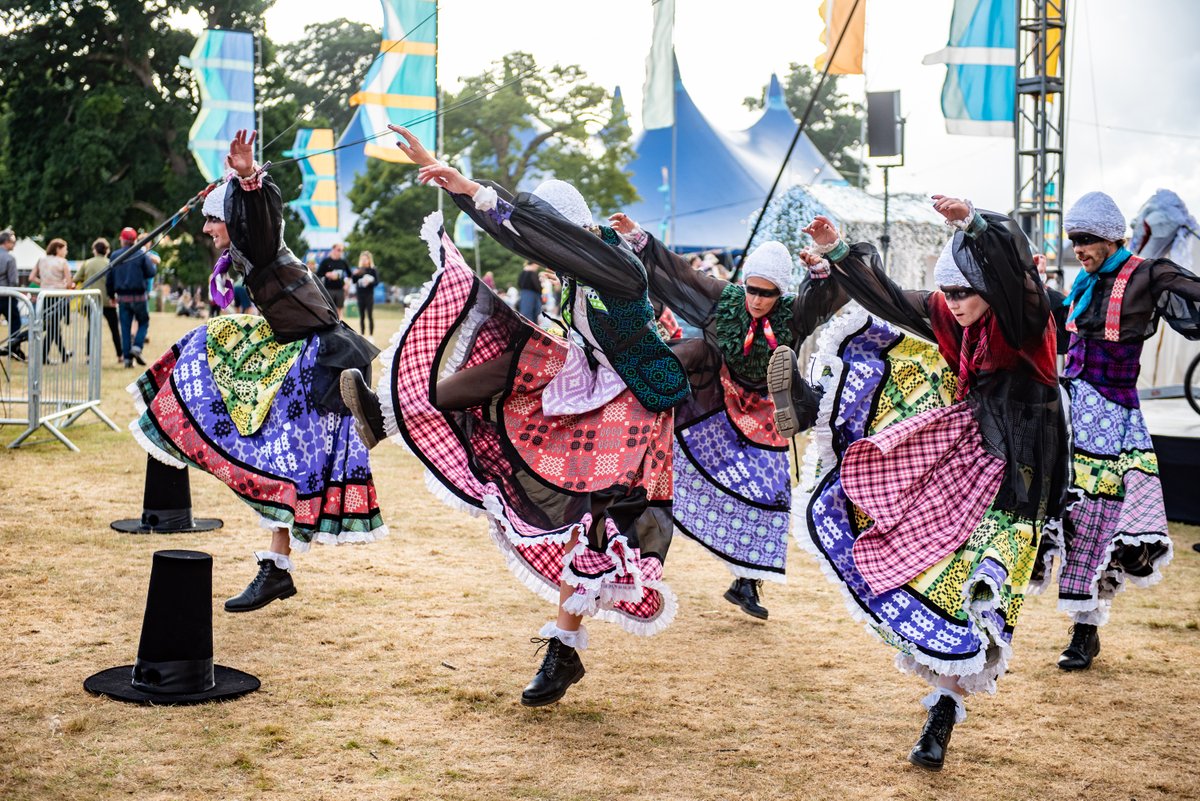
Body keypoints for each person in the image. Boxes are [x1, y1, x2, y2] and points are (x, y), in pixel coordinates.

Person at [340, 125, 689, 706]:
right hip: (588, 379)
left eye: (546, 245)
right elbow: (528, 236)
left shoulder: (620, 268)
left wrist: (470, 187)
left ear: (569, 234)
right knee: (508, 359)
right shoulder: (578, 263)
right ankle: (389, 414)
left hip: (634, 407)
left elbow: (536, 234)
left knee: (590, 525)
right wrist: (458, 186)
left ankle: (564, 652)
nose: (538, 259)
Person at [769, 199, 1066, 770]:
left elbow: (1017, 279)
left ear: (989, 286)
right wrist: (837, 249)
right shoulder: (948, 313)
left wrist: (976, 227)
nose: (954, 304)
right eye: (948, 294)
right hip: (969, 443)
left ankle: (942, 716)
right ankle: (814, 407)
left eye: (964, 292)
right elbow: (887, 296)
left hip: (1024, 468)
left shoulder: (1024, 322)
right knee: (919, 541)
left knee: (986, 581)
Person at [128, 129, 385, 612]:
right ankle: (276, 568)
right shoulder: (245, 252)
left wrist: (248, 179)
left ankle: (382, 413)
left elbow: (263, 219)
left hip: (317, 357)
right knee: (275, 454)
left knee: (285, 458)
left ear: (231, 218)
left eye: (211, 221)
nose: (206, 230)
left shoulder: (260, 243)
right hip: (299, 349)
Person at [610, 213, 842, 619]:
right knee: (673, 463)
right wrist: (638, 238)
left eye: (767, 294)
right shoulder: (724, 300)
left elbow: (824, 300)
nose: (756, 300)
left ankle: (746, 583)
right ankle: (627, 537)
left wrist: (822, 265)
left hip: (769, 410)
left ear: (780, 294)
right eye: (752, 289)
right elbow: (679, 274)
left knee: (772, 493)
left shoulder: (795, 314)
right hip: (717, 400)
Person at [1028, 191, 1200, 671]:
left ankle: (1085, 632)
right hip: (1071, 411)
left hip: (1113, 418)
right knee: (1049, 514)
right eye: (1073, 239)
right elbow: (1065, 332)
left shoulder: (1147, 273)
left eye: (1085, 239)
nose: (1077, 247)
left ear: (1111, 237)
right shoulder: (1084, 283)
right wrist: (1037, 288)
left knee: (1097, 526)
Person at [106, 228, 156, 367]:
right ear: (134, 240)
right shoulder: (141, 254)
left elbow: (109, 278)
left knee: (125, 328)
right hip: (139, 296)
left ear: (122, 240)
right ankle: (137, 347)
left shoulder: (115, 255)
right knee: (143, 322)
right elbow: (151, 272)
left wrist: (111, 295)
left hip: (122, 298)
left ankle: (127, 360)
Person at [73, 238, 122, 362]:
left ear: (94, 250)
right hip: (107, 301)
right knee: (114, 329)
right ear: (107, 251)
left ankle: (89, 356)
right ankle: (120, 355)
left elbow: (76, 278)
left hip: (91, 300)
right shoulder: (111, 262)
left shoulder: (87, 263)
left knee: (92, 329)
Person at [30, 238, 75, 363]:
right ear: (58, 249)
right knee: (53, 327)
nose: (66, 252)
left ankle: (63, 353)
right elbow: (69, 283)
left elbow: (31, 277)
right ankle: (45, 356)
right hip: (58, 297)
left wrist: (44, 283)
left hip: (44, 296)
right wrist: (61, 284)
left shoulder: (41, 260)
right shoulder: (63, 262)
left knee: (53, 326)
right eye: (65, 249)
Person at [0, 229, 27, 361]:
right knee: (15, 323)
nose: (14, 245)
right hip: (6, 296)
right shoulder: (9, 258)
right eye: (13, 242)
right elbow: (13, 281)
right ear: (6, 242)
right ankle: (13, 349)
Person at [317, 244, 349, 319]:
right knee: (329, 309)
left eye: (342, 250)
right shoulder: (326, 261)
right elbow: (319, 273)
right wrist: (327, 274)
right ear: (333, 249)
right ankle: (331, 327)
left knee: (339, 310)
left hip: (340, 290)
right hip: (328, 289)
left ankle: (340, 327)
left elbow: (350, 275)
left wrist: (347, 284)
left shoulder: (343, 262)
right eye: (338, 250)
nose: (340, 252)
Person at [352, 250, 379, 338]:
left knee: (370, 315)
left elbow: (376, 282)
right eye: (362, 259)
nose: (364, 261)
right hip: (360, 295)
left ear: (369, 260)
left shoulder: (373, 270)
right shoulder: (359, 270)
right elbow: (354, 281)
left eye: (366, 259)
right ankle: (362, 335)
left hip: (369, 295)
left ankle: (371, 336)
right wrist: (355, 275)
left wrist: (369, 282)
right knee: (362, 316)